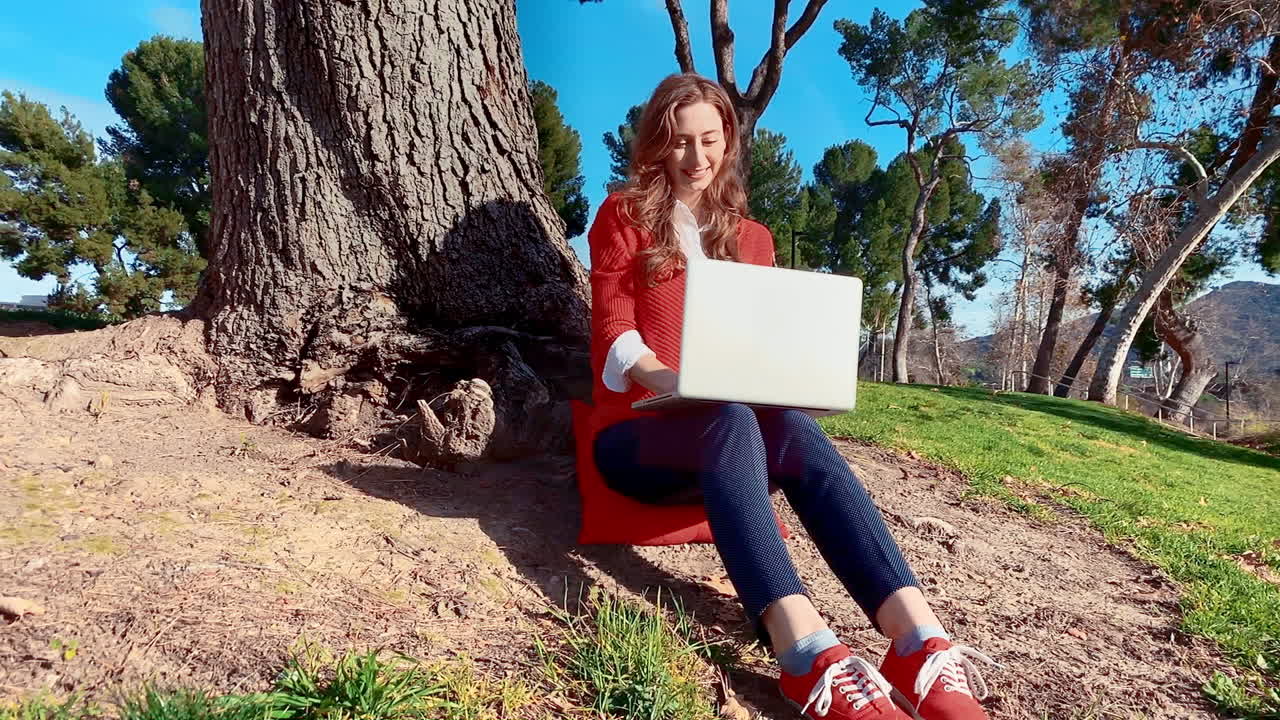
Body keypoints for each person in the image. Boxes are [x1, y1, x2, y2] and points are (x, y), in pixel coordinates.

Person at [584, 72, 998, 720]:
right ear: (658, 145)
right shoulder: (624, 216)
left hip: (728, 438)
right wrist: (670, 379)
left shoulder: (753, 239)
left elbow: (761, 344)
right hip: (637, 435)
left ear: (729, 142)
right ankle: (805, 654)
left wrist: (791, 378)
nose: (696, 158)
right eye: (680, 142)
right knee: (723, 412)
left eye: (710, 140)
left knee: (794, 431)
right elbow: (614, 329)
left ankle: (918, 643)